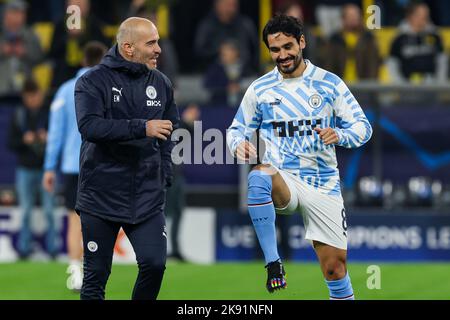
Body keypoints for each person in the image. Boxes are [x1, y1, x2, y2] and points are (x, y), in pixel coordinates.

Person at [227, 14, 372, 299]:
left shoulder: (329, 84)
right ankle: (273, 263)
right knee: (259, 175)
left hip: (323, 182)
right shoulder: (260, 89)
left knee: (335, 269)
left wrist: (339, 135)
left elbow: (363, 127)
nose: (282, 55)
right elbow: (235, 130)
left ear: (302, 42)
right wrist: (237, 145)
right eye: (275, 50)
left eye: (288, 47)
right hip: (285, 179)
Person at [74, 17, 179, 300]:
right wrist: (141, 127)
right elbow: (90, 127)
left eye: (158, 41)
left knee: (155, 265)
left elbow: (170, 130)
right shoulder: (91, 81)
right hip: (101, 194)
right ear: (129, 48)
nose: (159, 49)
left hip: (146, 194)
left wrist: (164, 171)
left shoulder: (161, 83)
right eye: (152, 43)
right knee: (95, 277)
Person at [42, 41, 107, 292]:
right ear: (103, 61)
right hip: (101, 165)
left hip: (72, 166)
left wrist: (49, 167)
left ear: (82, 61)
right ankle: (96, 271)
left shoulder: (64, 91)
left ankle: (75, 273)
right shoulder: (107, 89)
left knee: (74, 221)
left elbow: (55, 132)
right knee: (102, 220)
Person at [7, 78, 56, 259]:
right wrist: (23, 140)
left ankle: (53, 250)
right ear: (24, 97)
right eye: (30, 97)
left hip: (46, 168)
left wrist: (47, 138)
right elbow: (10, 143)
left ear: (41, 94)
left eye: (36, 96)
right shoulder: (19, 114)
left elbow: (58, 140)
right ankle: (24, 250)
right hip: (25, 169)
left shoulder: (51, 112)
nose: (33, 100)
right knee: (25, 210)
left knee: (50, 210)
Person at [48, 0, 109, 89]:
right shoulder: (60, 25)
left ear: (88, 7)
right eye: (75, 5)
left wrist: (82, 37)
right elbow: (52, 52)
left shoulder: (94, 25)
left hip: (89, 68)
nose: (78, 9)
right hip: (64, 70)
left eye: (81, 5)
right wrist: (68, 37)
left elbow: (103, 49)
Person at [387, 2, 447, 83]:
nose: (424, 18)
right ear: (410, 16)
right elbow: (392, 63)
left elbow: (442, 61)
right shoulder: (399, 38)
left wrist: (439, 83)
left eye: (426, 15)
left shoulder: (434, 35)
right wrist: (400, 85)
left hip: (432, 86)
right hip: (407, 88)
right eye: (420, 15)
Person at [193, 0, 259, 73]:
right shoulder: (207, 25)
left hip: (245, 75)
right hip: (213, 76)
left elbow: (256, 51)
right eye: (228, 5)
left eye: (234, 5)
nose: (232, 8)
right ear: (218, 5)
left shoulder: (246, 24)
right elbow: (199, 52)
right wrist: (219, 52)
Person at [324, 3, 380, 82]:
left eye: (355, 15)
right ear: (343, 18)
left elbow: (373, 65)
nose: (353, 18)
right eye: (350, 16)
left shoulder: (369, 39)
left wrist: (369, 87)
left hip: (364, 86)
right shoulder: (335, 40)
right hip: (339, 86)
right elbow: (329, 65)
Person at [0, 0, 43, 97]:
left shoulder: (31, 34)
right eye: (15, 12)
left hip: (25, 90)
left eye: (22, 13)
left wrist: (25, 52)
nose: (19, 16)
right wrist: (2, 50)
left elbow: (41, 58)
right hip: (2, 89)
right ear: (6, 14)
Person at [203, 39, 250, 107]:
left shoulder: (246, 67)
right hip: (219, 106)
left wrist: (240, 87)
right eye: (222, 53)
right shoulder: (215, 68)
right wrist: (225, 88)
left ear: (235, 52)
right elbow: (207, 85)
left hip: (243, 107)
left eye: (226, 53)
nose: (222, 55)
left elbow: (253, 82)